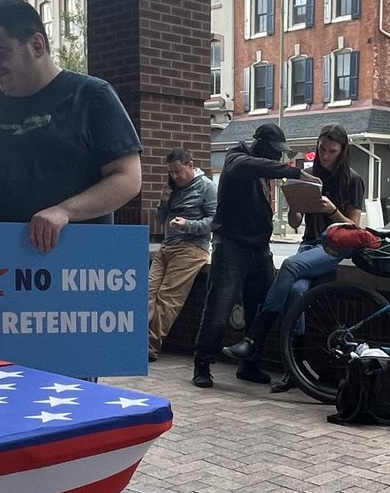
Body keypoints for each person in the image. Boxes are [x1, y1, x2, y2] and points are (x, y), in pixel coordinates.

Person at [0, 0, 142, 250]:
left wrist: (65, 211)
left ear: (37, 45)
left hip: (74, 261)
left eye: (0, 53)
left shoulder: (92, 96)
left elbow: (128, 178)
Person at [222, 123, 365, 391]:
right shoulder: (310, 175)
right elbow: (295, 222)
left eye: (332, 151)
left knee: (288, 266)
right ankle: (294, 371)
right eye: (322, 149)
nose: (325, 155)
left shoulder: (353, 180)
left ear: (343, 151)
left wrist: (332, 210)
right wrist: (296, 207)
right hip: (309, 245)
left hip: (334, 247)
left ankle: (254, 338)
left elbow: (354, 228)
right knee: (297, 292)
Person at [192, 122, 307, 389]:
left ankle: (250, 364)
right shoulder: (236, 157)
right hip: (231, 245)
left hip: (260, 247)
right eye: (274, 151)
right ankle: (202, 364)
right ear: (260, 145)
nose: (277, 156)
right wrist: (294, 171)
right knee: (219, 307)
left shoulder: (261, 167)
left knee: (262, 307)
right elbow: (249, 166)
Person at [148, 148, 217, 362]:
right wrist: (164, 202)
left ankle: (150, 347)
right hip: (167, 246)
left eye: (178, 171)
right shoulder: (173, 188)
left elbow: (215, 221)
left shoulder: (206, 187)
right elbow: (160, 219)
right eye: (171, 172)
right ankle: (134, 340)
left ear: (191, 165)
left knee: (167, 299)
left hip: (191, 248)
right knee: (147, 293)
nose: (175, 176)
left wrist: (188, 224)